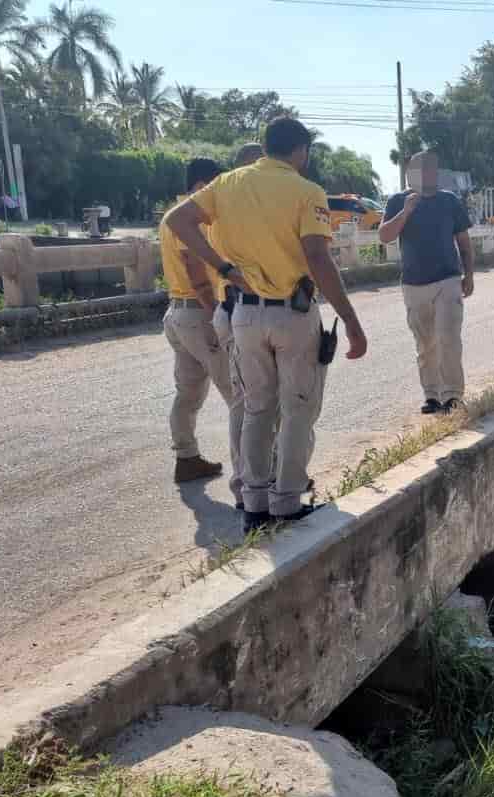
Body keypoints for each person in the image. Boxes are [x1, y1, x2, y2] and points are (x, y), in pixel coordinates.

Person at [164, 117, 368, 534]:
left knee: (256, 407)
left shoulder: (228, 184)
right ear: (301, 151)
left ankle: (254, 503)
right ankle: (287, 501)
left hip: (243, 314)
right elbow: (317, 255)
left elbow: (178, 222)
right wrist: (350, 319)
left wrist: (221, 265)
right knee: (297, 408)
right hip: (292, 315)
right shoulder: (306, 191)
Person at [378, 151, 474, 415]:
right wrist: (406, 211)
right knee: (425, 344)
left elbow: (464, 243)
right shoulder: (398, 201)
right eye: (421, 169)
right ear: (411, 172)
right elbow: (384, 236)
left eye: (431, 168)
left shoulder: (450, 201)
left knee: (448, 338)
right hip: (413, 284)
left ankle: (452, 396)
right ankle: (432, 396)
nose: (427, 173)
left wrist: (469, 275)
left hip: (448, 279)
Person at [159, 157, 234, 486]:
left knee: (188, 393)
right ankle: (257, 469)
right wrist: (215, 312)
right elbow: (194, 267)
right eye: (217, 184)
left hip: (177, 313)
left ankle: (186, 457)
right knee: (238, 393)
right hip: (199, 313)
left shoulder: (169, 217)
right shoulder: (194, 219)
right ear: (204, 184)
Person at [208, 142, 267, 507]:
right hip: (240, 310)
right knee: (248, 405)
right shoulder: (230, 208)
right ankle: (248, 486)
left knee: (254, 405)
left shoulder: (222, 206)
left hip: (237, 312)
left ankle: (257, 481)